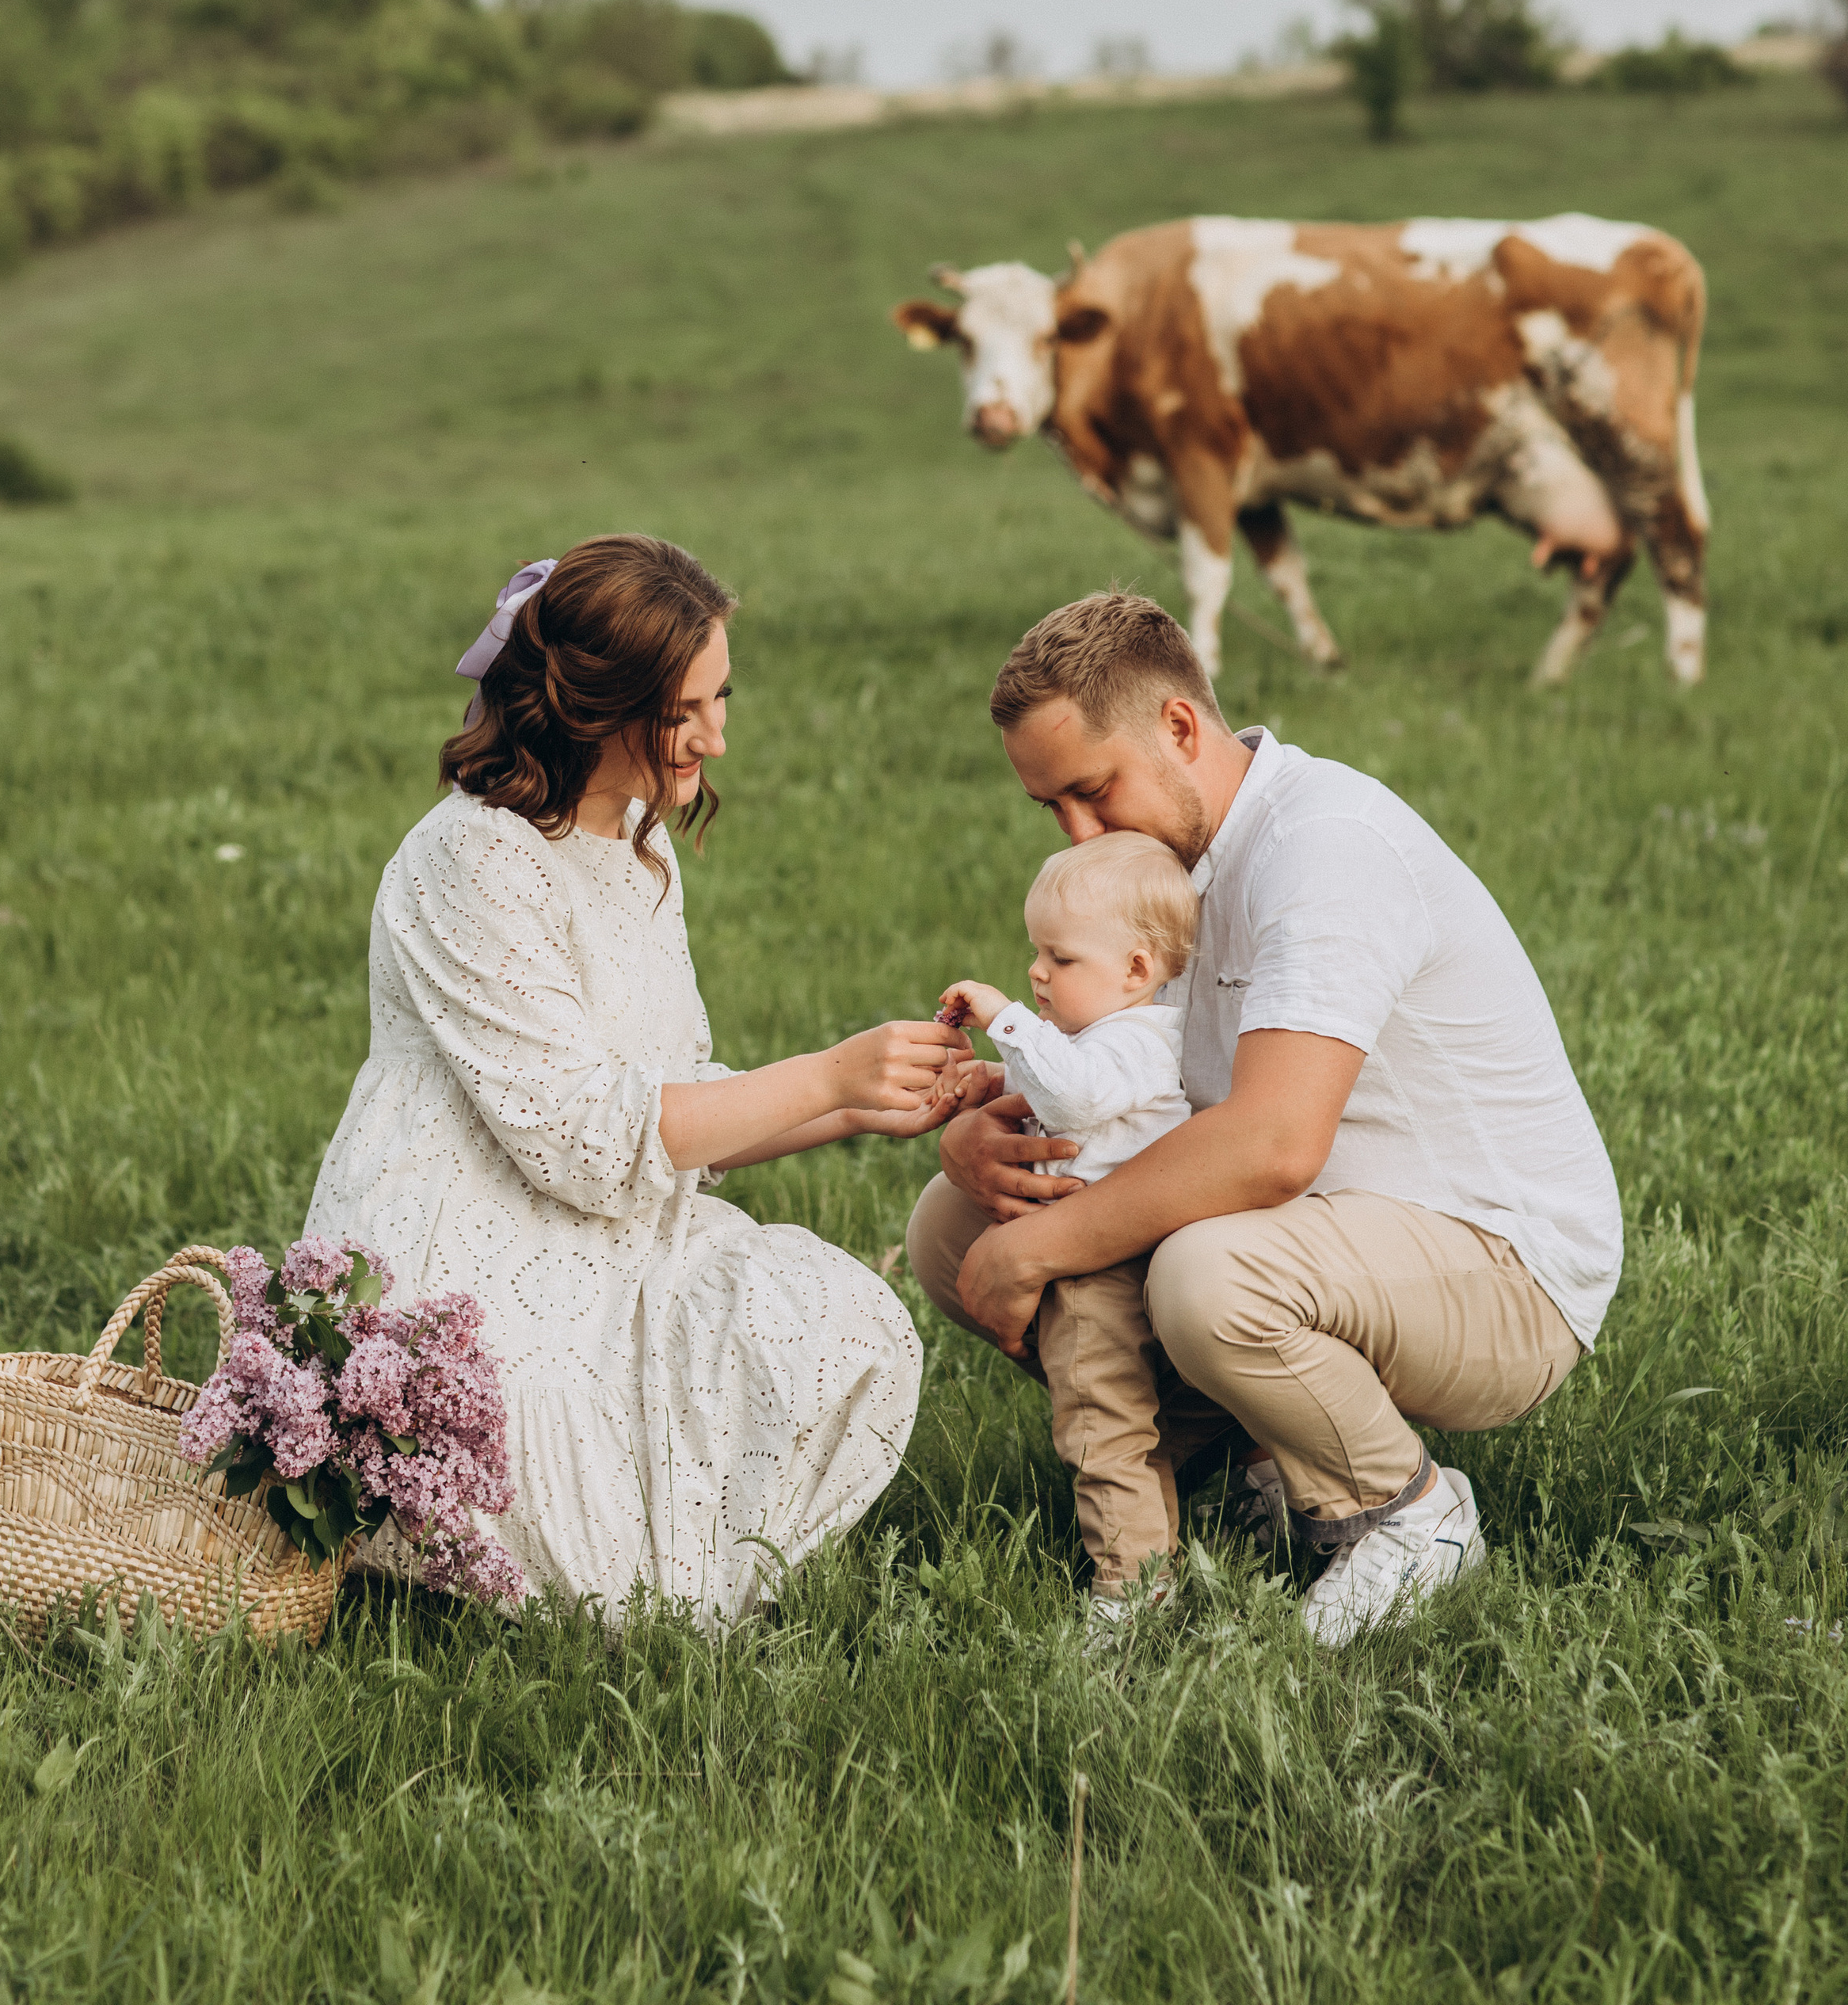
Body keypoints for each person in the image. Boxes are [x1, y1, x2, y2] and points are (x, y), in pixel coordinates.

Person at [905, 589, 1623, 1647]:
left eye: (1093, 793)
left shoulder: (1323, 848)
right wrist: (985, 1137)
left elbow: (1271, 1146)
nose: (1078, 833)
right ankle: (1261, 1462)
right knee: (954, 1228)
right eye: (1052, 808)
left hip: (1500, 1265)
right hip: (1338, 1238)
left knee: (1207, 1276)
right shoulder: (1174, 869)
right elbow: (1137, 1083)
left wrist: (1048, 1245)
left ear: (1181, 730)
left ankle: (1406, 1517)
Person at [308, 535, 966, 1624]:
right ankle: (592, 1594)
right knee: (573, 1482)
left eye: (722, 698)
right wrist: (827, 1076)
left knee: (842, 1322)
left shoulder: (639, 850)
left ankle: (692, 1612)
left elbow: (675, 1100)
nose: (719, 735)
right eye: (686, 711)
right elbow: (580, 1138)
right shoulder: (470, 858)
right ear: (592, 706)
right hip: (464, 1246)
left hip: (618, 1229)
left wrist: (866, 1099)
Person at [932, 832, 1196, 1621]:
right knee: (1127, 1416)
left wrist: (1006, 1021)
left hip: (1100, 1274)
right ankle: (1178, 1522)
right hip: (1100, 1254)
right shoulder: (1106, 1036)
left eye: (1060, 958)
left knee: (1100, 1423)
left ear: (1137, 970)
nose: (1036, 973)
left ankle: (1133, 1590)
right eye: (1033, 954)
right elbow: (1060, 1083)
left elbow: (1077, 1098)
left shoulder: (1140, 1041)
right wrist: (990, 1077)